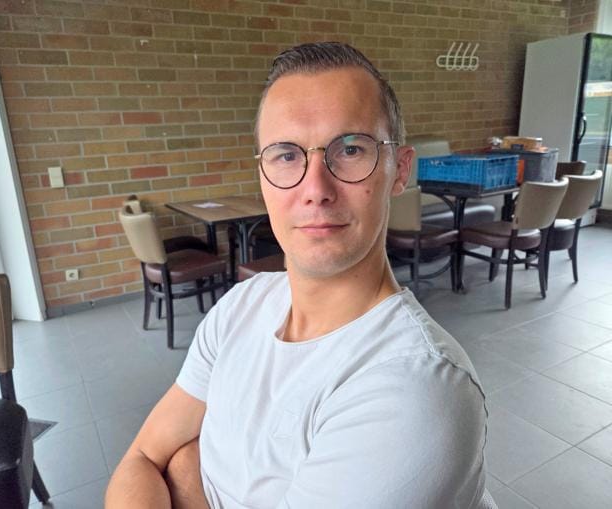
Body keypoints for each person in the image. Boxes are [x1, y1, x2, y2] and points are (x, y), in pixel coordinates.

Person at [106, 42, 493, 509]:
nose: (315, 189)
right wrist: (178, 468)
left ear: (400, 171)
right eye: (286, 155)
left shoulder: (417, 388)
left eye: (350, 149)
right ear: (262, 175)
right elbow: (143, 457)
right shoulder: (240, 307)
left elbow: (161, 465)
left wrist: (187, 471)